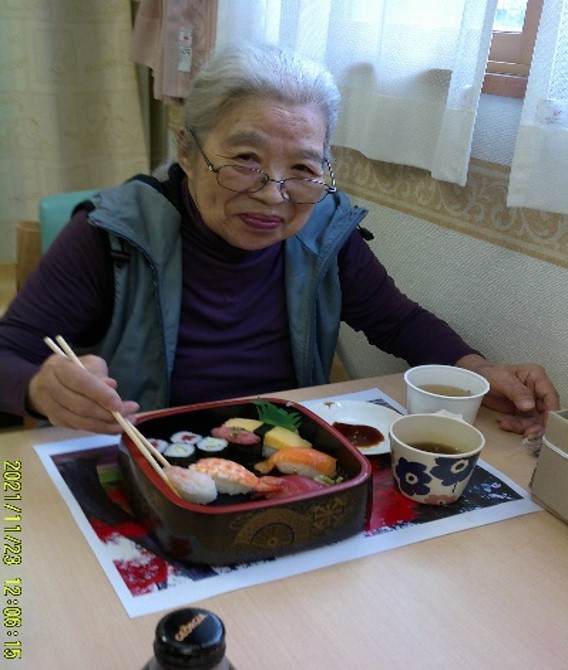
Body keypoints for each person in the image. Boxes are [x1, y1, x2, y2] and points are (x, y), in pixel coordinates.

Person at [0, 43, 559, 437]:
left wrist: (477, 372)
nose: (274, 194)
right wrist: (41, 389)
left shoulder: (325, 231)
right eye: (245, 160)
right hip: (143, 454)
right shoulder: (113, 235)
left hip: (283, 455)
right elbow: (8, 352)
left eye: (303, 168)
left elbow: (398, 321)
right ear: (188, 152)